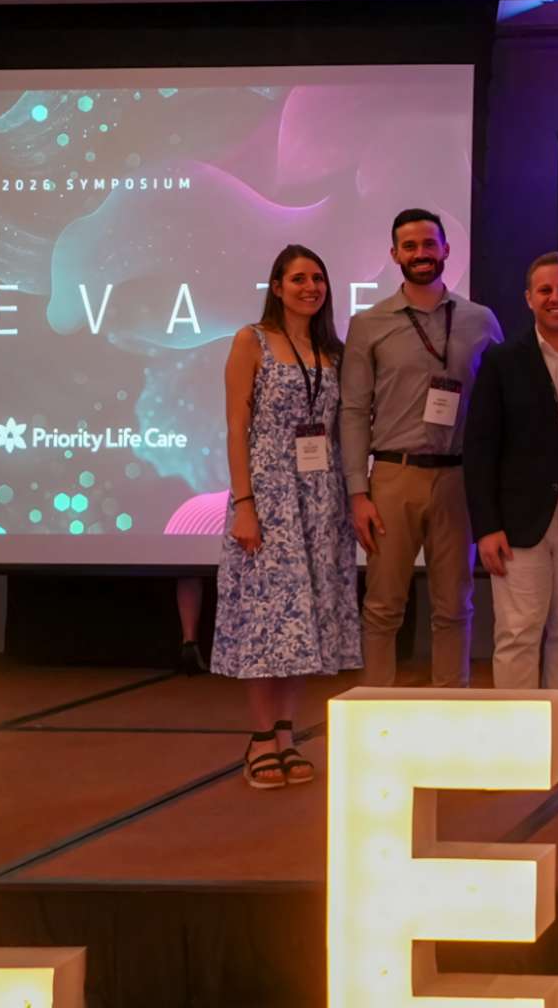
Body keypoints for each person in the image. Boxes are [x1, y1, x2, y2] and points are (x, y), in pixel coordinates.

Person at [464, 252, 558, 781]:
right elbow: (480, 449)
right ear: (528, 298)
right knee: (517, 633)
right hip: (518, 520)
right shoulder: (501, 362)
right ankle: (515, 745)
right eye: (545, 290)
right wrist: (485, 525)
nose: (557, 298)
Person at [216, 245, 360, 789]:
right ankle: (259, 738)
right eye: (299, 278)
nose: (310, 287)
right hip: (269, 498)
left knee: (304, 621)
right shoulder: (250, 341)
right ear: (276, 286)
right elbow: (236, 427)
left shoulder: (334, 351)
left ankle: (286, 732)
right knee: (264, 620)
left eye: (318, 278)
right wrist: (244, 504)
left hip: (321, 501)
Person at [339, 209, 503, 688]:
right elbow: (352, 411)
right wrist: (357, 492)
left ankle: (450, 709)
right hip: (393, 475)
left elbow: (500, 404)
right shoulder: (369, 324)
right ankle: (374, 716)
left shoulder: (480, 320)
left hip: (459, 479)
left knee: (455, 605)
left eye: (429, 244)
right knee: (384, 604)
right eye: (409, 247)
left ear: (446, 250)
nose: (421, 254)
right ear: (394, 255)